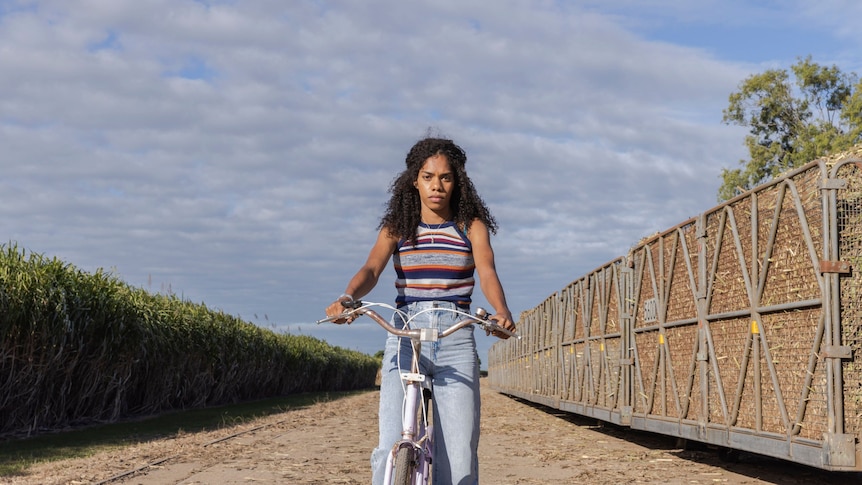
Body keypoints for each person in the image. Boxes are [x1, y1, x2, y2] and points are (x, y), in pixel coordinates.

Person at [325, 136, 515, 484]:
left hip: (455, 337)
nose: (437, 186)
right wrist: (348, 297)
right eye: (428, 177)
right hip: (405, 335)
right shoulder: (398, 227)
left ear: (457, 182)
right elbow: (371, 269)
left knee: (459, 462)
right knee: (388, 448)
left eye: (445, 177)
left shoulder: (470, 227)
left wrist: (501, 311)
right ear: (415, 180)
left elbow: (487, 272)